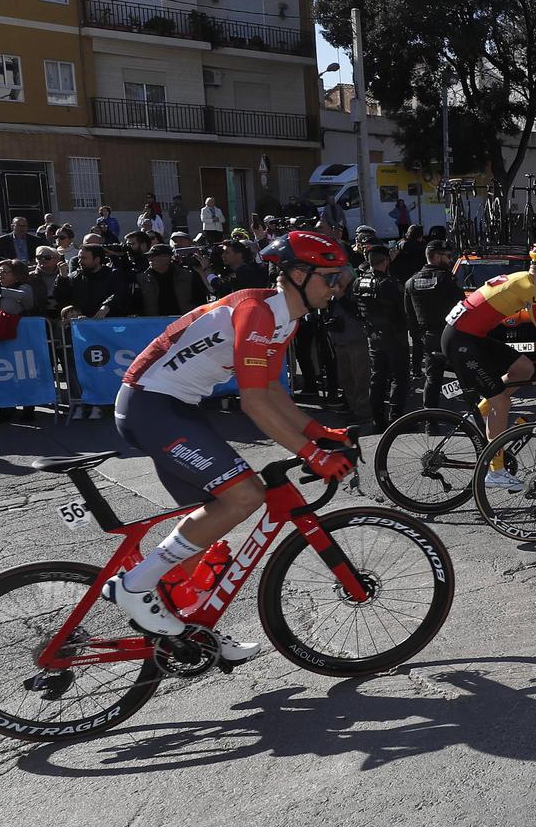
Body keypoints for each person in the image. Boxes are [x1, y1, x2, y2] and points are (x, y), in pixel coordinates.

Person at [98, 231, 355, 655]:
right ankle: (133, 585)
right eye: (331, 278)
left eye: (342, 279)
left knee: (208, 527)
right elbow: (253, 402)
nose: (337, 289)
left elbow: (271, 390)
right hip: (152, 406)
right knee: (245, 495)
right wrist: (311, 454)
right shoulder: (257, 312)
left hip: (173, 407)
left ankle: (189, 631)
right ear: (295, 273)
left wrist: (317, 433)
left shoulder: (286, 319)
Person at [443, 242, 536, 489]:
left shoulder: (523, 280)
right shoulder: (528, 288)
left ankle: (480, 415)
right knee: (502, 401)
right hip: (461, 340)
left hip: (472, 337)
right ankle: (496, 472)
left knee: (524, 368)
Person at [353, 242, 411, 428]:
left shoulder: (358, 281)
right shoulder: (389, 284)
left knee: (377, 378)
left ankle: (378, 419)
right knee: (399, 378)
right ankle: (396, 419)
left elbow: (355, 308)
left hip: (373, 336)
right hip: (394, 336)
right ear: (385, 262)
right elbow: (404, 311)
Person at [403, 241, 463, 408]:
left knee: (433, 378)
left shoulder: (411, 282)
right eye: (448, 256)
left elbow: (410, 316)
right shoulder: (447, 279)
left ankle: (431, 419)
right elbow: (462, 307)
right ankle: (470, 412)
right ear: (436, 257)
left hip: (428, 337)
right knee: (465, 374)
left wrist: (419, 340)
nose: (451, 260)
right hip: (451, 335)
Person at [133, 243, 206, 317]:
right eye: (149, 256)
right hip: (154, 322)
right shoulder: (141, 279)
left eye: (154, 256)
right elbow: (137, 304)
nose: (150, 259)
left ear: (168, 257)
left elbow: (200, 300)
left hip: (183, 321)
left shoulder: (188, 276)